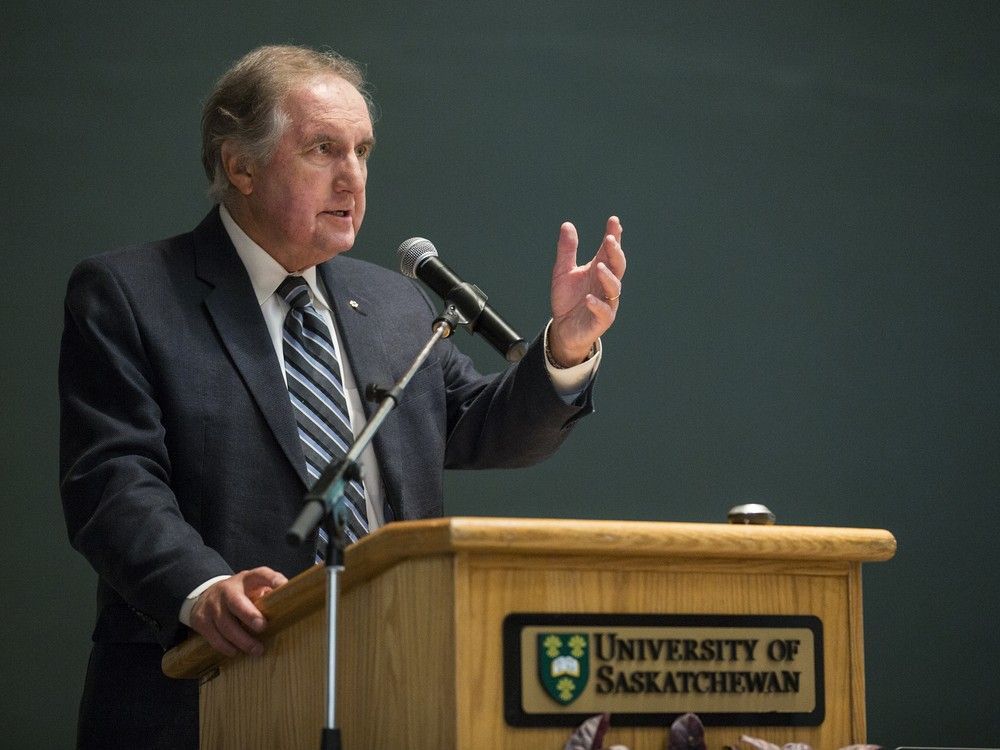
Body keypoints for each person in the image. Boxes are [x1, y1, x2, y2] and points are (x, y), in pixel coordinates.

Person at [59, 45, 626, 749]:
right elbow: (112, 481)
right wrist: (201, 590)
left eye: (362, 151)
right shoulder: (133, 295)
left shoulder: (391, 303)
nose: (352, 177)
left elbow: (483, 426)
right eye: (323, 149)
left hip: (396, 687)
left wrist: (565, 350)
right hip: (209, 693)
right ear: (239, 165)